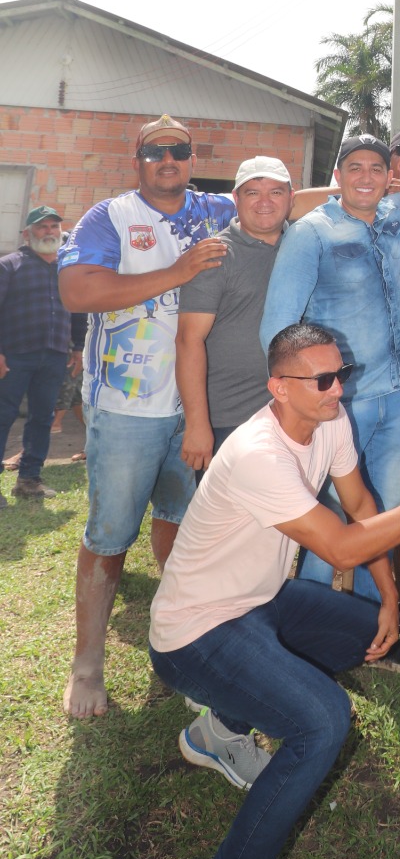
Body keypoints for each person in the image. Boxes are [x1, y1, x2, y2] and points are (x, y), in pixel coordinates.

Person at [150, 323, 400, 859]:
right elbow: (338, 544)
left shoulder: (328, 421)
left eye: (343, 373)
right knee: (323, 722)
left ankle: (217, 731)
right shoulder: (259, 452)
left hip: (257, 601)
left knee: (363, 632)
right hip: (194, 632)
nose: (340, 389)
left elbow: (361, 506)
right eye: (324, 379)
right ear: (278, 388)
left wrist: (389, 595)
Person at [259, 96, 400, 606]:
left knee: (378, 516)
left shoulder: (394, 213)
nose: (366, 177)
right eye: (354, 168)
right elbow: (277, 328)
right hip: (337, 402)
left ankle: (365, 617)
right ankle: (311, 616)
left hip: (394, 397)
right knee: (331, 512)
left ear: (389, 178)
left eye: (376, 169)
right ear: (338, 176)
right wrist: (295, 402)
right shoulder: (311, 234)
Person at [57, 114, 234, 717]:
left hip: (195, 407)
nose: (168, 160)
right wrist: (177, 273)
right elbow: (78, 291)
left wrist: (371, 185)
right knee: (110, 535)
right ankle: (87, 665)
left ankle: (179, 639)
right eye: (155, 152)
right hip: (126, 406)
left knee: (182, 521)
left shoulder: (214, 210)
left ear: (191, 158)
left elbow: (280, 196)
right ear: (138, 160)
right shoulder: (110, 217)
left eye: (178, 151)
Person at [176, 158, 295, 469]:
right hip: (231, 419)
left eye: (276, 192)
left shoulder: (304, 245)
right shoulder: (215, 255)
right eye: (253, 193)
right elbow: (189, 341)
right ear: (236, 199)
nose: (265, 202)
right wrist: (198, 425)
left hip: (293, 413)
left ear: (291, 198)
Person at [0, 206, 86, 503]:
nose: (49, 231)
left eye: (53, 226)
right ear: (27, 234)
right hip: (14, 357)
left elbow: (77, 307)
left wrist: (78, 347)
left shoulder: (67, 268)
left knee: (43, 418)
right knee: (3, 416)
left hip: (54, 357)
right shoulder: (10, 266)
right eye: (42, 227)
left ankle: (28, 480)